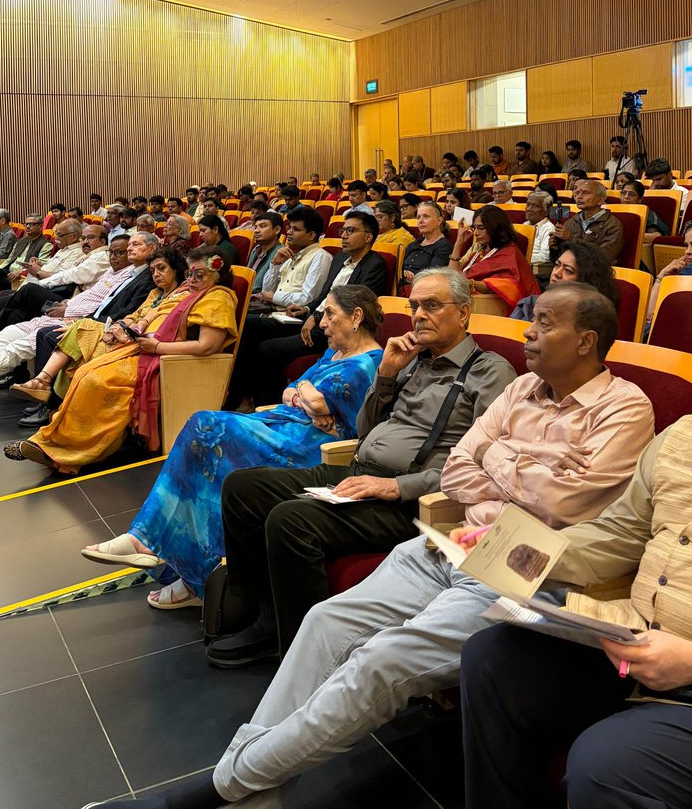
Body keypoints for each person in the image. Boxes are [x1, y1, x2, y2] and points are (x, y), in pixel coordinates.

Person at [146, 283, 654, 809]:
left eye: (545, 323)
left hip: (515, 565)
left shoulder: (623, 408)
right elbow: (457, 470)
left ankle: (221, 787)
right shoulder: (521, 387)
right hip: (448, 541)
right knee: (326, 620)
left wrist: (497, 459)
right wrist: (529, 467)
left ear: (585, 341)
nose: (528, 331)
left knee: (380, 657)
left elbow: (560, 502)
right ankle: (254, 790)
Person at [459, 305, 692, 809]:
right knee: (492, 659)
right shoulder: (683, 436)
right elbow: (621, 533)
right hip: (637, 645)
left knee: (607, 764)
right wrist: (526, 551)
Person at [210, 268, 516, 663]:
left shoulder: (490, 372)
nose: (419, 316)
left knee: (290, 519)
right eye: (414, 306)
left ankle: (307, 655)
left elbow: (480, 469)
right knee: (242, 488)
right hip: (360, 470)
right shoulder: (410, 361)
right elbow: (364, 429)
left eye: (432, 305)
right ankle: (265, 617)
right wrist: (386, 373)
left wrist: (396, 487)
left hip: (412, 500)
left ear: (463, 313)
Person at [80, 287, 386, 609]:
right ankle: (176, 562)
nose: (321, 323)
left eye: (330, 314)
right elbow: (292, 392)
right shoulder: (334, 353)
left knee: (206, 427)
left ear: (356, 317)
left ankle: (153, 545)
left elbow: (318, 402)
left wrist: (304, 394)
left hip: (310, 448)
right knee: (206, 453)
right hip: (284, 426)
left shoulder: (367, 364)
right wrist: (303, 395)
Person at [2, 246, 237, 473]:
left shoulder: (218, 297)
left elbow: (208, 346)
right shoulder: (187, 292)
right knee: (85, 370)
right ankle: (54, 435)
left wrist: (157, 346)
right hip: (143, 347)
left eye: (199, 274)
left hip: (168, 360)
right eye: (190, 274)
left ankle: (71, 451)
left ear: (218, 274)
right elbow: (147, 315)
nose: (192, 280)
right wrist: (131, 328)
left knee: (95, 379)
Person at [0, 233, 157, 413]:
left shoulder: (144, 278)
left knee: (18, 346)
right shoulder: (118, 272)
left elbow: (119, 312)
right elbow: (91, 296)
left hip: (81, 322)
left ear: (152, 249)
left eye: (132, 247)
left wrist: (71, 313)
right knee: (9, 332)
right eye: (119, 250)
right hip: (68, 311)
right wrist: (67, 305)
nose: (120, 254)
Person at [244, 212, 389, 406]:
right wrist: (306, 309)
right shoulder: (340, 258)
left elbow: (354, 305)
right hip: (312, 319)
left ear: (368, 236)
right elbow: (322, 297)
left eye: (350, 231)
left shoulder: (375, 265)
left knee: (268, 349)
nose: (343, 235)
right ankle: (239, 391)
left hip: (332, 328)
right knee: (249, 326)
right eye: (343, 230)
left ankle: (267, 405)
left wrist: (316, 316)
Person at [450, 204, 540, 310]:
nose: (476, 233)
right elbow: (452, 275)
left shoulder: (509, 253)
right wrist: (458, 244)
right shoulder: (481, 250)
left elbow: (508, 286)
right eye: (474, 228)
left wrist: (471, 284)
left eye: (481, 228)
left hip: (490, 305)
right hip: (468, 299)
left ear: (495, 228)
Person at [511, 239, 619, 322]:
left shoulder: (589, 320)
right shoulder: (529, 304)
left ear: (585, 280)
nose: (556, 273)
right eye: (557, 265)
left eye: (568, 270)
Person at [551, 179, 624, 262]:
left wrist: (571, 238)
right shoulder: (571, 222)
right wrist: (555, 249)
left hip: (595, 270)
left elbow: (604, 258)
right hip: (569, 267)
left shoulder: (612, 225)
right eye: (577, 193)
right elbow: (559, 259)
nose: (579, 197)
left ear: (600, 200)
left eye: (585, 193)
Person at [401, 199, 452, 286]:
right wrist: (403, 273)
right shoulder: (414, 244)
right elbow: (397, 266)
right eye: (418, 217)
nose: (420, 221)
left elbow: (433, 276)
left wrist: (411, 277)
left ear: (439, 221)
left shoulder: (444, 246)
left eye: (426, 216)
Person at [247, 211, 283, 292]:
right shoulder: (256, 249)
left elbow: (271, 290)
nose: (256, 231)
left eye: (262, 226)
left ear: (276, 230)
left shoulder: (281, 254)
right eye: (256, 227)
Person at [524, 189, 555, 267]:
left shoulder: (548, 228)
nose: (529, 209)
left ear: (547, 211)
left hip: (536, 268)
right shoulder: (525, 225)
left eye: (536, 206)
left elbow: (545, 257)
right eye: (528, 204)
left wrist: (521, 257)